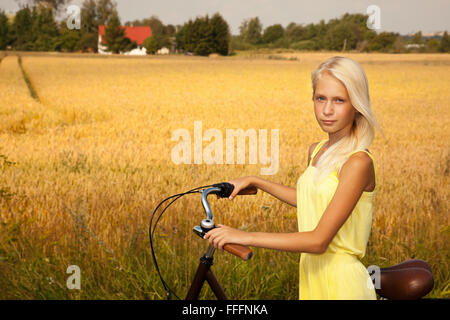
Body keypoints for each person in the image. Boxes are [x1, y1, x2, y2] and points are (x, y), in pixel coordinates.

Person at [204, 56, 384, 300]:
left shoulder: (358, 162)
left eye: (339, 100)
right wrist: (256, 181)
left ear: (356, 104)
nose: (327, 110)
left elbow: (319, 241)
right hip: (311, 275)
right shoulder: (317, 150)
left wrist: (243, 236)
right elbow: (312, 200)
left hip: (342, 285)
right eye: (320, 98)